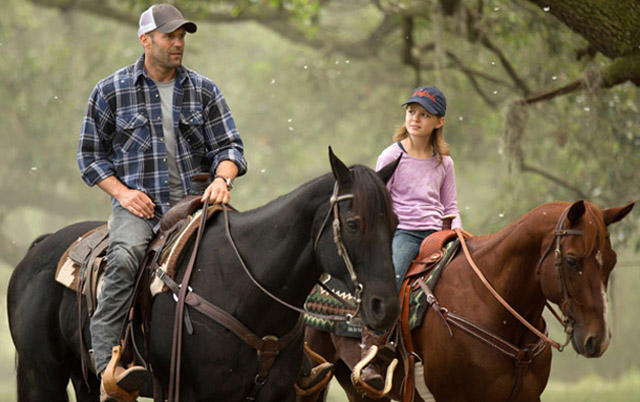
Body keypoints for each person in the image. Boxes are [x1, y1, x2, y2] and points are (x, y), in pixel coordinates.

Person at [77, 4, 247, 401]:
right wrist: (123, 194)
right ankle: (108, 366)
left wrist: (223, 178)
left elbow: (230, 146)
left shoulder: (204, 89)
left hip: (195, 204)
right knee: (124, 258)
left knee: (248, 254)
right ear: (146, 40)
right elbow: (90, 156)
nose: (178, 43)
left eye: (182, 36)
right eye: (169, 36)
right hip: (139, 207)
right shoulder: (110, 90)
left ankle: (284, 358)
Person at [353, 86, 462, 396]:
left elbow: (450, 207)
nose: (415, 118)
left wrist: (459, 235)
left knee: (463, 281)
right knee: (392, 280)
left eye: (424, 114)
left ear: (438, 122)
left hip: (438, 234)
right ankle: (373, 352)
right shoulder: (392, 155)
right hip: (405, 233)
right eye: (412, 111)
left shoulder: (444, 162)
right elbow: (377, 202)